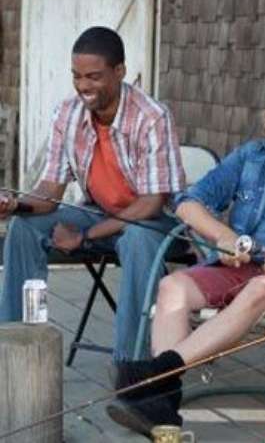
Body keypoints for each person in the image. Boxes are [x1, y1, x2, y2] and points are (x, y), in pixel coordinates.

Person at [104, 60, 265, 435]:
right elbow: (188, 201)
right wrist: (224, 238)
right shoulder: (251, 157)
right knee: (172, 287)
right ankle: (162, 408)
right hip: (241, 267)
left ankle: (156, 373)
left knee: (259, 288)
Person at [0, 26, 185, 372]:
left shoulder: (151, 117)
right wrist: (16, 204)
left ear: (120, 71)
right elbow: (50, 192)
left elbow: (151, 204)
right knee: (24, 228)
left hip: (156, 224)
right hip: (100, 215)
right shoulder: (67, 114)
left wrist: (85, 236)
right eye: (77, 76)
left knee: (138, 239)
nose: (83, 85)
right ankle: (14, 344)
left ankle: (132, 368)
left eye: (94, 76)